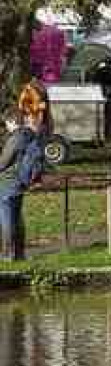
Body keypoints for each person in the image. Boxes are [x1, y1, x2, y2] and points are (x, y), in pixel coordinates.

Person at [0, 104, 45, 260]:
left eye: (6, 123)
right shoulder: (30, 135)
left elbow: (3, 163)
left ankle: (7, 255)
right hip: (21, 182)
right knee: (17, 218)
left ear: (13, 121)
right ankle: (19, 254)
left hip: (9, 182)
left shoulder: (16, 138)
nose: (6, 127)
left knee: (7, 219)